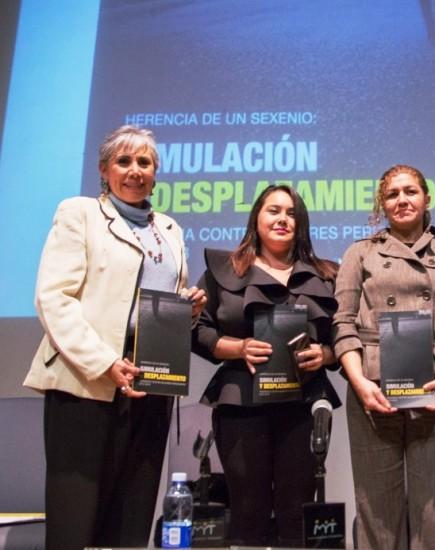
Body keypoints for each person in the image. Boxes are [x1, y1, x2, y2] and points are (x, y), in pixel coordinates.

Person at [23, 125, 205, 550]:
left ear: (155, 174)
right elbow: (54, 298)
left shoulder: (170, 230)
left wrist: (188, 309)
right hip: (86, 379)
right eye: (124, 161)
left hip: (151, 380)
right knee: (76, 516)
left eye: (145, 162)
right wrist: (104, 362)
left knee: (133, 516)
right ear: (104, 170)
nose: (135, 170)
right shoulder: (80, 213)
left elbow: (158, 301)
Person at [333, 164, 435, 550]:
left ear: (426, 197)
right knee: (376, 513)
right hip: (373, 390)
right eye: (392, 194)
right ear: (382, 205)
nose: (402, 200)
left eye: (410, 191)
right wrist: (359, 382)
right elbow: (343, 325)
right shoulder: (359, 253)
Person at [191, 185, 340, 547]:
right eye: (273, 211)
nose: (282, 219)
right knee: (247, 510)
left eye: (291, 213)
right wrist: (238, 347)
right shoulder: (224, 270)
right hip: (241, 402)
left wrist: (325, 354)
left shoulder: (326, 275)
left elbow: (347, 335)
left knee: (296, 510)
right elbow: (197, 329)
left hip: (304, 404)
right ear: (256, 218)